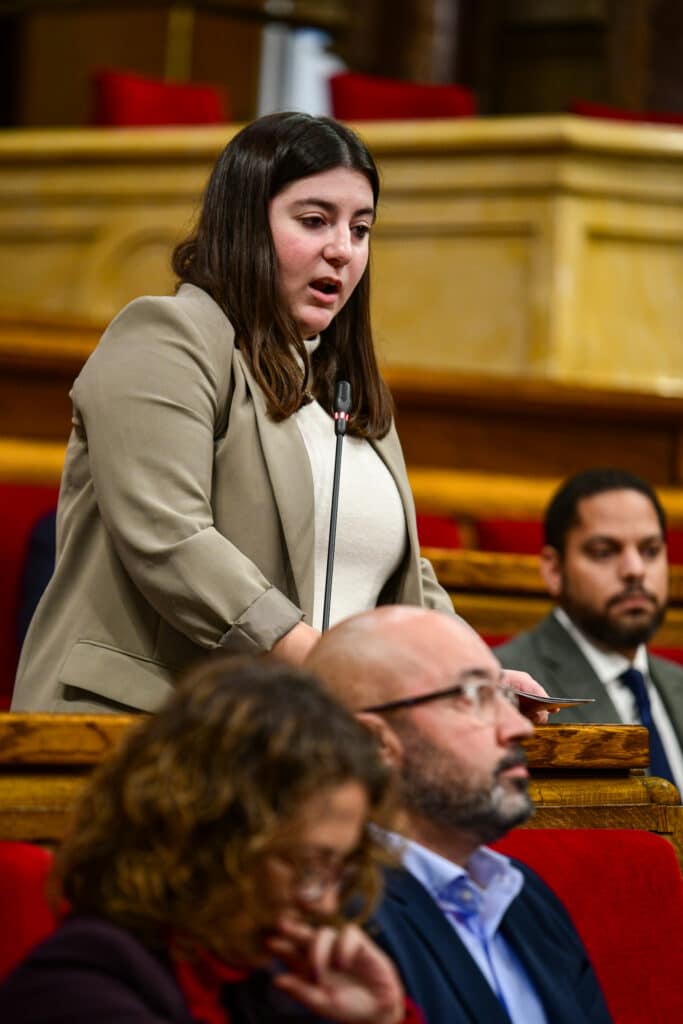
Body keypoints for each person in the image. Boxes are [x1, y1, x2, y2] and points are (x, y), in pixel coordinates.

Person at [11, 111, 453, 715]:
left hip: (301, 736)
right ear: (246, 222)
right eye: (314, 221)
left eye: (361, 228)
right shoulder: (168, 336)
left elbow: (398, 570)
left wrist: (468, 673)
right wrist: (325, 664)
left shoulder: (345, 385)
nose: (341, 250)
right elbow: (171, 537)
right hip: (147, 728)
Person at [0, 655, 424, 1024]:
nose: (325, 904)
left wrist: (383, 1019)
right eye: (309, 866)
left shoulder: (269, 983)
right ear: (212, 836)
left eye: (339, 870)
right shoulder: (80, 989)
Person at [306, 607, 613, 1024]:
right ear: (374, 742)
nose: (519, 728)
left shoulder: (526, 897)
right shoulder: (331, 926)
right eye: (474, 697)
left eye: (504, 697)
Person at [495, 468, 683, 791]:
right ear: (554, 569)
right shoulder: (507, 686)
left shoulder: (678, 683)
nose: (635, 570)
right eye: (604, 552)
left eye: (650, 551)